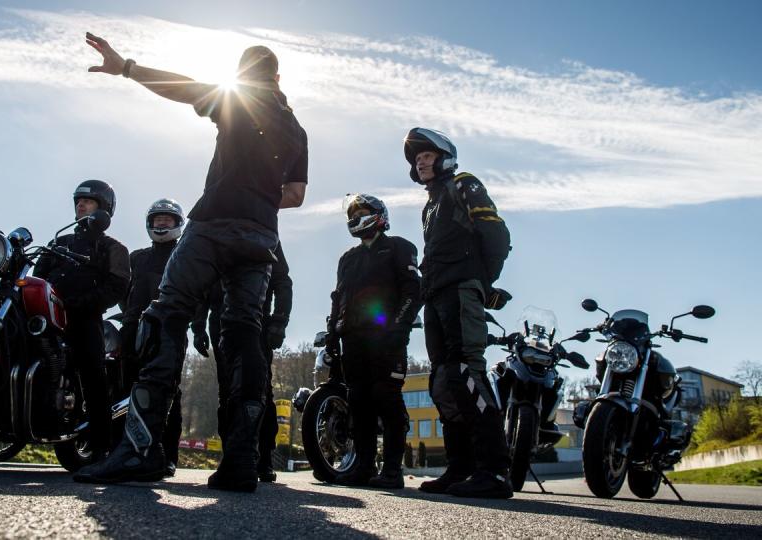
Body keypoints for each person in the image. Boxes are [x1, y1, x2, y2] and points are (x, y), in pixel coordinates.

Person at [74, 33, 308, 492]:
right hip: (261, 237)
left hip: (213, 225)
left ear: (244, 74)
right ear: (279, 77)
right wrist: (257, 203)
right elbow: (296, 196)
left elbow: (182, 87)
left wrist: (127, 67)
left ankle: (140, 450)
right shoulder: (296, 129)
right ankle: (242, 463)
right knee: (244, 335)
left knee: (164, 318)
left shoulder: (239, 99)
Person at [403, 128, 513, 498]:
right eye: (416, 158)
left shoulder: (464, 184)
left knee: (467, 372)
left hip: (461, 290)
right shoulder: (429, 205)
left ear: (445, 156)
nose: (420, 160)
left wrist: (482, 282)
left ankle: (495, 472)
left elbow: (496, 233)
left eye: (427, 154)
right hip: (435, 296)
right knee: (444, 382)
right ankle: (462, 467)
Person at [325, 194, 421, 489]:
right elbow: (338, 297)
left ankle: (393, 470)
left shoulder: (399, 247)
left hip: (387, 338)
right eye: (353, 213)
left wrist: (400, 327)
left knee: (386, 397)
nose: (356, 217)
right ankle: (363, 467)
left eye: (363, 212)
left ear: (379, 215)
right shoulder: (347, 258)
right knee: (360, 401)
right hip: (352, 340)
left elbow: (414, 289)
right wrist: (332, 332)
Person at [33, 179, 131, 458]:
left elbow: (117, 286)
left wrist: (81, 304)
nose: (80, 205)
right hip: (50, 318)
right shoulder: (58, 243)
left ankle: (100, 448)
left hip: (84, 318)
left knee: (92, 373)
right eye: (78, 201)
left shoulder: (112, 247)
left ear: (104, 209)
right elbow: (38, 277)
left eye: (88, 201)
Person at [192, 242, 292, 482]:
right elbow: (202, 286)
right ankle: (231, 454)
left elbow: (283, 282)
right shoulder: (216, 236)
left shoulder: (267, 236)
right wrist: (197, 327)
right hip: (219, 320)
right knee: (226, 389)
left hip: (256, 318)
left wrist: (279, 320)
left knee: (260, 387)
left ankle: (263, 458)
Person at [117, 198, 186, 477]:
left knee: (169, 393)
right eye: (157, 219)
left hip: (169, 328)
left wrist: (199, 324)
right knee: (126, 387)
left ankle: (167, 455)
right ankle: (127, 449)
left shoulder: (184, 255)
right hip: (132, 327)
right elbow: (125, 291)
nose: (161, 223)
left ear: (177, 224)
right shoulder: (137, 257)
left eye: (167, 220)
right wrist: (130, 320)